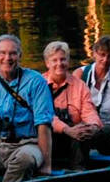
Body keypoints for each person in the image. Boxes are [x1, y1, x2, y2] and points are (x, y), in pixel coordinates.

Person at [0, 35, 54, 182]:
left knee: (25, 159)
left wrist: (46, 165)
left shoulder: (36, 81)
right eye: (2, 53)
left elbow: (44, 124)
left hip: (25, 144)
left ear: (20, 56)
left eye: (13, 53)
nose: (7, 58)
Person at [42, 40, 101, 168]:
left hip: (74, 136)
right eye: (54, 60)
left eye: (63, 59)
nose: (59, 64)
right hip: (49, 135)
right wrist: (67, 129)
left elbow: (89, 111)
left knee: (82, 132)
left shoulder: (80, 85)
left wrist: (92, 127)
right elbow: (45, 115)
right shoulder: (39, 85)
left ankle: (77, 171)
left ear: (68, 61)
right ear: (47, 63)